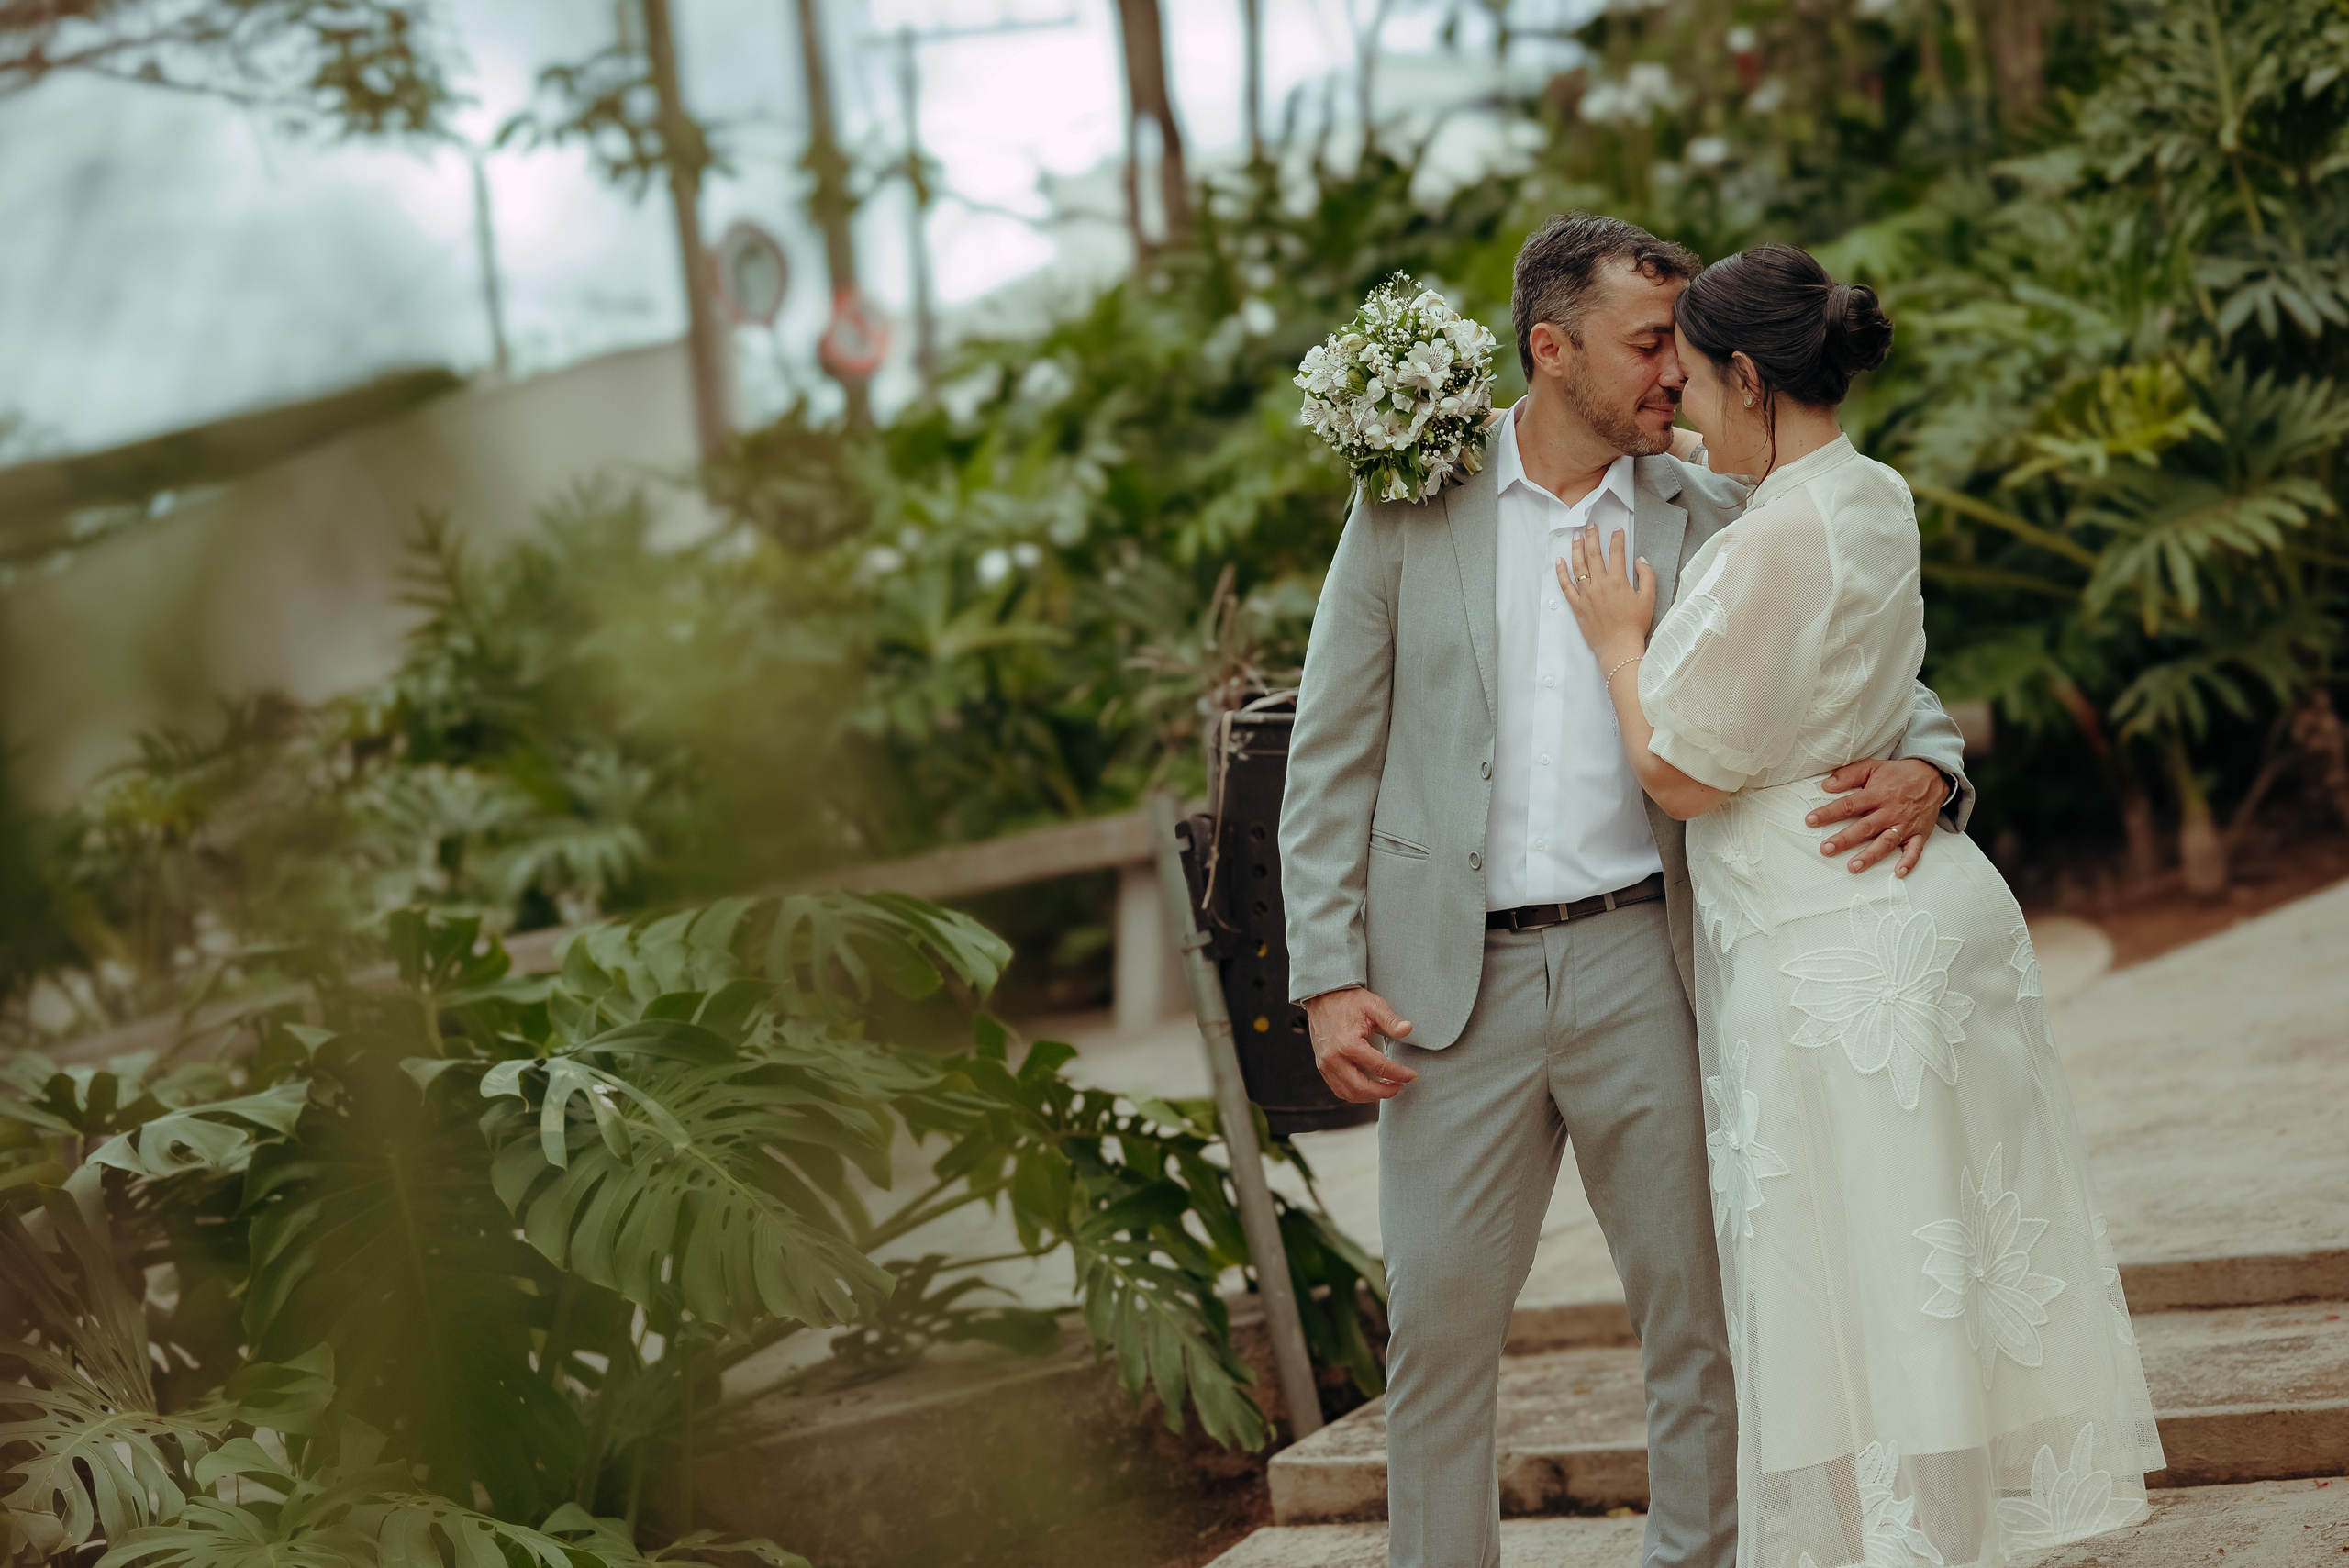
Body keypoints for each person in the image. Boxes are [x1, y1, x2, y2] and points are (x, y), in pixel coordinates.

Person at [1277, 212, 1975, 1568]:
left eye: (1683, 345)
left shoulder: (1716, 510)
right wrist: (1325, 970)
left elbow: (1871, 668)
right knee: (1436, 1337)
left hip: (1647, 967)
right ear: (1552, 349)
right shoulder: (1411, 497)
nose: (1679, 370)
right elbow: (1333, 743)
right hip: (1442, 996)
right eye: (1650, 343)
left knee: (1697, 1324)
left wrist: (1932, 771)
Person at [1554, 241, 2165, 1566]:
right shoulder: (1873, 493)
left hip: (1836, 956)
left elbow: (1679, 770)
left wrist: (1619, 644)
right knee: (1925, 1284)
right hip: (1900, 921)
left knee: (1868, 1291)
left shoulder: (1773, 533)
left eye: (1701, 380)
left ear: (1753, 376)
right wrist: (1925, 765)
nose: (1688, 404)